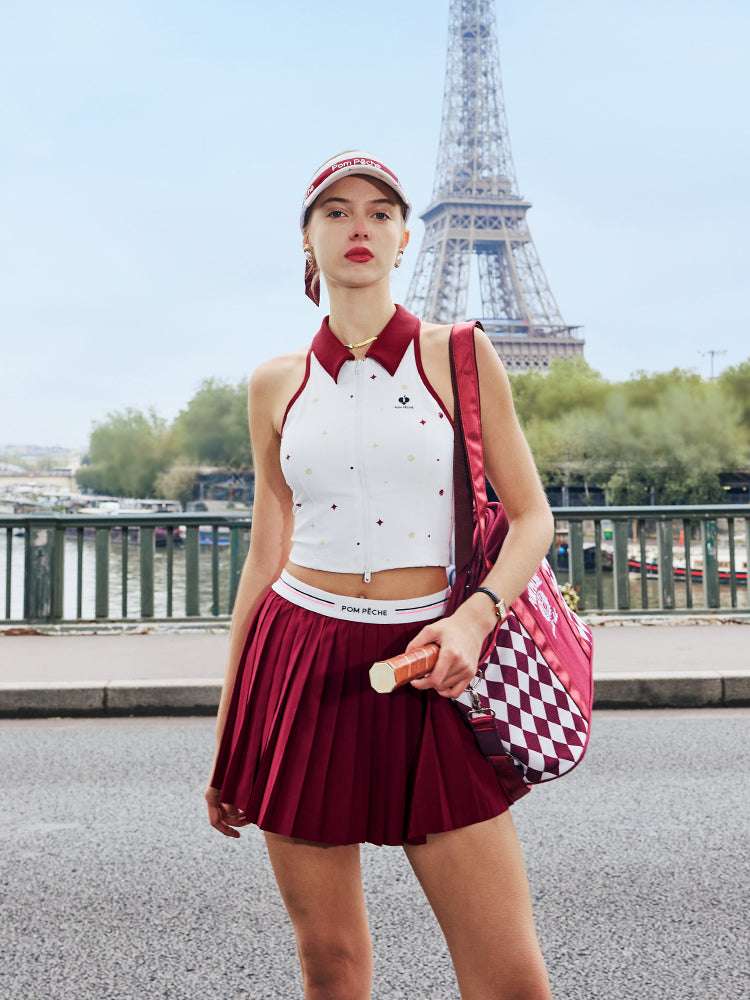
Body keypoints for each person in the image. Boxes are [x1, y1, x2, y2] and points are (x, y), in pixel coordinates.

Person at [205, 149, 556, 1000]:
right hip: (300, 662)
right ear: (307, 240)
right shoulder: (273, 384)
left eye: (378, 211)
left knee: (508, 977)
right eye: (335, 211)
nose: (357, 225)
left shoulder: (461, 356)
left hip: (433, 657)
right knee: (330, 965)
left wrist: (475, 617)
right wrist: (228, 730)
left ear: (405, 237)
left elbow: (532, 518)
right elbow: (267, 550)